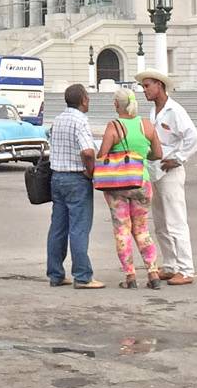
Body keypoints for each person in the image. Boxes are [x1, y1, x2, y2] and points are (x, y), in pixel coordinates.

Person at [98, 88, 165, 290]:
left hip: (117, 184)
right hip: (141, 182)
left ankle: (130, 276)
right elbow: (158, 153)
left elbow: (102, 155)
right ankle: (153, 272)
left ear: (117, 105)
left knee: (122, 230)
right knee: (142, 229)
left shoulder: (113, 127)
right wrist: (141, 158)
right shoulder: (146, 125)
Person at [137, 70, 197, 285]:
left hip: (170, 170)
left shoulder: (175, 110)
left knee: (176, 220)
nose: (144, 90)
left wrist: (179, 158)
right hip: (156, 170)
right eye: (143, 86)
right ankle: (170, 264)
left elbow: (192, 138)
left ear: (159, 86)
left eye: (147, 86)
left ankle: (186, 268)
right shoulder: (155, 111)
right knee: (161, 222)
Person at [45, 83, 103, 289]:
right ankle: (82, 275)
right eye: (87, 97)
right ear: (83, 100)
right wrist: (90, 171)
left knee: (58, 227)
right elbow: (87, 151)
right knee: (79, 228)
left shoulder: (58, 120)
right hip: (76, 179)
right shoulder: (80, 121)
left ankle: (55, 274)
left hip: (57, 178)